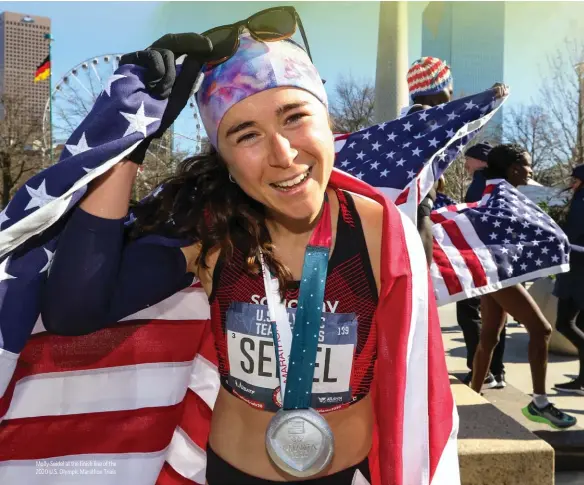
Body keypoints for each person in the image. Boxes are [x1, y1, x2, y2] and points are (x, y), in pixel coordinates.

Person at [38, 10, 457, 485]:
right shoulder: (212, 234)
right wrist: (132, 144)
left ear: (328, 121)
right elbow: (73, 311)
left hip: (348, 472)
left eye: (295, 117)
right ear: (225, 159)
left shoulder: (383, 232)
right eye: (247, 135)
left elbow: (414, 384)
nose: (283, 155)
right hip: (232, 472)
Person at [470, 143, 577, 429]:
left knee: (490, 336)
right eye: (527, 165)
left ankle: (473, 393)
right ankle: (539, 403)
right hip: (498, 273)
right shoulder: (503, 194)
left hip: (492, 272)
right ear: (514, 167)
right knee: (541, 329)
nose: (530, 171)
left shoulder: (491, 190)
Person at [457, 142, 508, 389]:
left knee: (469, 313)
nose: (465, 163)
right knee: (496, 317)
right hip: (498, 260)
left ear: (481, 161)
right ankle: (496, 372)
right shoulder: (500, 182)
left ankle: (480, 370)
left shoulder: (481, 182)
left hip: (479, 259)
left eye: (468, 158)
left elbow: (474, 219)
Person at [553, 164, 584, 395]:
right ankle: (581, 381)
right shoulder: (577, 199)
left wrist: (564, 245)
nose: (571, 182)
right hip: (572, 271)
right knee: (567, 323)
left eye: (575, 178)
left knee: (568, 323)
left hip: (579, 272)